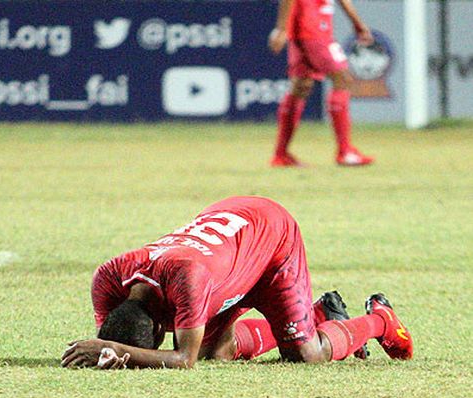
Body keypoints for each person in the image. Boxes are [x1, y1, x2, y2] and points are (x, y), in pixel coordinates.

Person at [61, 196, 412, 369]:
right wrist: (109, 349)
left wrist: (125, 353)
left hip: (271, 238)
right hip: (229, 248)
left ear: (157, 327)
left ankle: (380, 320)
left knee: (305, 355)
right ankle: (315, 315)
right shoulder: (108, 276)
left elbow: (185, 359)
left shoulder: (187, 279)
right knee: (218, 352)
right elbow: (108, 339)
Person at [268, 0, 374, 167]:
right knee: (343, 80)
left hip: (302, 31)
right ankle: (345, 152)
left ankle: (281, 155)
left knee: (300, 87)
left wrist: (358, 23)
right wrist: (281, 28)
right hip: (314, 29)